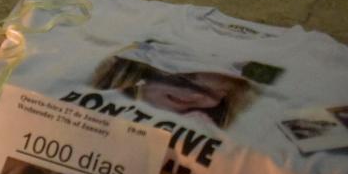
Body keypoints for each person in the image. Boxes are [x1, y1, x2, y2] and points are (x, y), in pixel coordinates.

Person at [94, 57, 250, 128]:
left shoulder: (200, 123)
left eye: (217, 92)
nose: (194, 95)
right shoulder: (110, 94)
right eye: (183, 80)